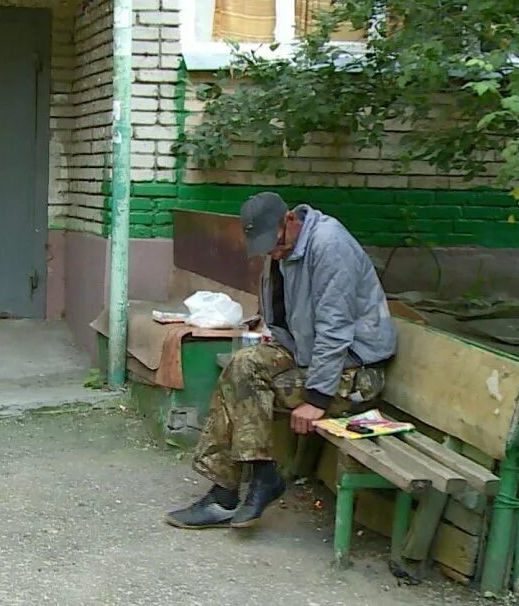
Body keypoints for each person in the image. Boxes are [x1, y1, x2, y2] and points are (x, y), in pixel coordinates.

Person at [166, 192, 397, 530]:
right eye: (264, 248)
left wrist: (317, 399)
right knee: (241, 366)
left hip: (355, 371)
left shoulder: (330, 246)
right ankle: (239, 486)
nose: (272, 253)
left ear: (290, 219)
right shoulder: (284, 248)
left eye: (273, 244)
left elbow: (335, 329)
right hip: (313, 357)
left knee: (251, 384)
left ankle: (241, 490)